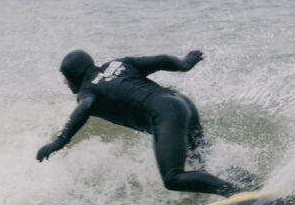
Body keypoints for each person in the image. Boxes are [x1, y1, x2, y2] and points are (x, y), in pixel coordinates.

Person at [36, 49, 251, 197]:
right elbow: (160, 60)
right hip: (182, 103)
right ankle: (252, 184)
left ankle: (236, 193)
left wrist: (60, 140)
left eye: (65, 76)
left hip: (166, 114)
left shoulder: (88, 91)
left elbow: (84, 108)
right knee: (203, 161)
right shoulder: (118, 64)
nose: (64, 82)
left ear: (74, 75)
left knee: (173, 178)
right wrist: (185, 64)